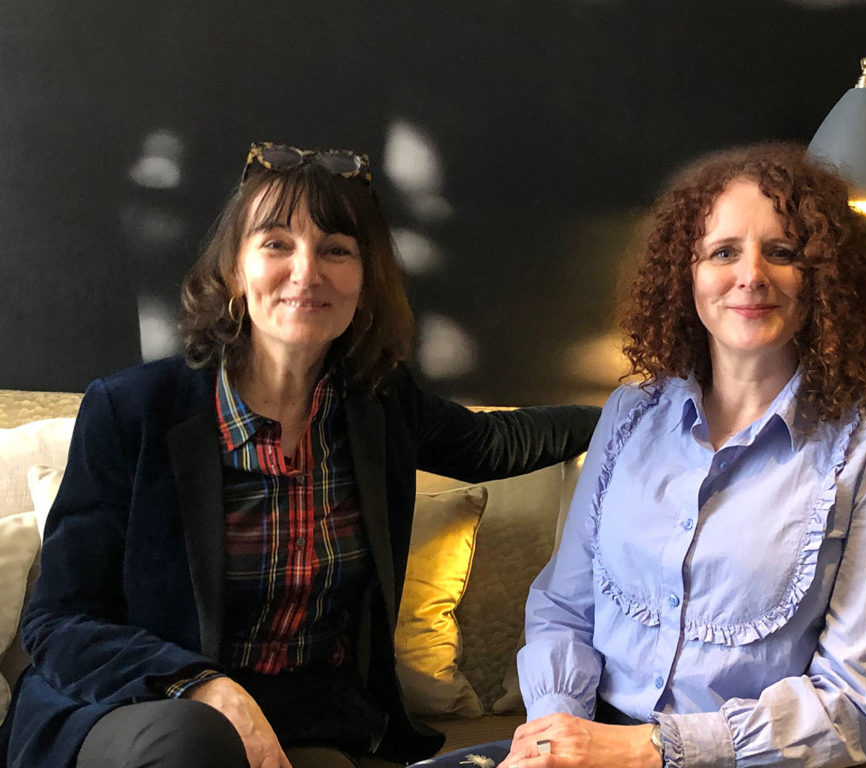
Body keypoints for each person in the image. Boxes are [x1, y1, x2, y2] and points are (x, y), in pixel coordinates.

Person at [0, 141, 600, 768]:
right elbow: (61, 622)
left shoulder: (379, 403)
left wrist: (632, 415)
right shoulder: (133, 410)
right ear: (236, 269)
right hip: (133, 708)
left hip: (303, 716)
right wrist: (206, 688)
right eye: (277, 243)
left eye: (336, 249)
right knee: (193, 743)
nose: (306, 271)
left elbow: (497, 443)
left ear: (365, 280)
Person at [414, 143, 866, 768]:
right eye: (723, 252)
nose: (751, 275)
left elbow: (852, 705)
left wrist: (642, 750)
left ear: (824, 277)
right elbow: (563, 606)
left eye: (783, 252)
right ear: (685, 274)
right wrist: (560, 735)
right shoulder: (629, 412)